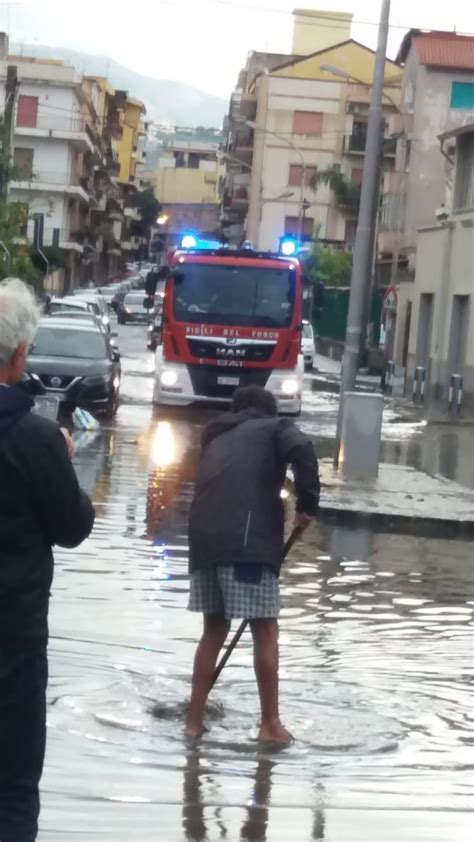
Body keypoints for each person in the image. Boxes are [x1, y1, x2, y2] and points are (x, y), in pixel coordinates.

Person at [0, 279, 95, 841]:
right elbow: (73, 527)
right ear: (20, 354)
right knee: (12, 788)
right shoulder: (36, 439)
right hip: (14, 639)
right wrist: (65, 464)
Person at [186, 385, 320, 743]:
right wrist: (308, 507)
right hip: (247, 543)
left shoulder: (216, 435)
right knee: (266, 630)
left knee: (213, 630)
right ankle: (270, 725)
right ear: (268, 411)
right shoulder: (274, 428)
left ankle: (193, 722)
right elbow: (303, 449)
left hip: (202, 543)